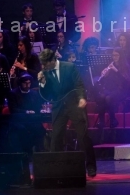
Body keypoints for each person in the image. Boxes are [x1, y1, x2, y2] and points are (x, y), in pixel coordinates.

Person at [37, 49, 97, 177]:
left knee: (83, 136)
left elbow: (79, 84)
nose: (43, 66)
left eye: (45, 64)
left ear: (52, 60)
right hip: (59, 106)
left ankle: (90, 166)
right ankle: (56, 169)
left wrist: (82, 98)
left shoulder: (69, 67)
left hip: (74, 104)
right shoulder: (45, 73)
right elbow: (47, 94)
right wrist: (42, 83)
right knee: (56, 137)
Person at [2, 74, 47, 154]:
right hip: (18, 120)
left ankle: (38, 151)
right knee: (23, 130)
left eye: (29, 83)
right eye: (25, 83)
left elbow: (37, 107)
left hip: (32, 120)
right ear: (20, 83)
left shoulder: (34, 93)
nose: (27, 85)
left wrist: (41, 109)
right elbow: (13, 109)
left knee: (40, 129)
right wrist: (26, 112)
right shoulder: (13, 94)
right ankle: (25, 152)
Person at [95, 47, 130, 128]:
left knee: (108, 98)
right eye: (113, 55)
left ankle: (113, 120)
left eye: (117, 55)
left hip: (121, 90)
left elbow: (125, 81)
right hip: (110, 89)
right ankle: (101, 121)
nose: (114, 57)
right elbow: (107, 81)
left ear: (121, 56)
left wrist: (116, 70)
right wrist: (104, 75)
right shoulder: (110, 65)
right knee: (101, 97)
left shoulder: (125, 66)